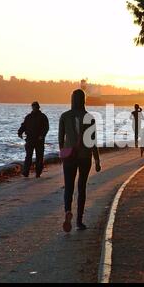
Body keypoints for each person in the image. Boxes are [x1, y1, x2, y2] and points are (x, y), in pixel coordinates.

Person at [59, 89, 101, 232]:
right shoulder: (89, 117)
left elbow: (60, 139)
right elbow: (93, 141)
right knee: (81, 187)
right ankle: (79, 221)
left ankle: (67, 211)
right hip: (85, 156)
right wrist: (97, 160)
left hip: (69, 155)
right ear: (84, 100)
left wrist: (63, 153)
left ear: (72, 99)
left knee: (68, 186)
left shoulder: (64, 116)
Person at [18, 101, 49, 178]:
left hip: (39, 140)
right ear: (32, 107)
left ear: (38, 107)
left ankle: (38, 172)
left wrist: (42, 135)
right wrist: (20, 132)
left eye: (36, 107)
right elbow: (24, 125)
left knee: (39, 156)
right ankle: (26, 172)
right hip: (30, 139)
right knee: (28, 156)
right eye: (33, 107)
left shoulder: (43, 117)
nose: (34, 108)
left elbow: (46, 128)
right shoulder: (28, 117)